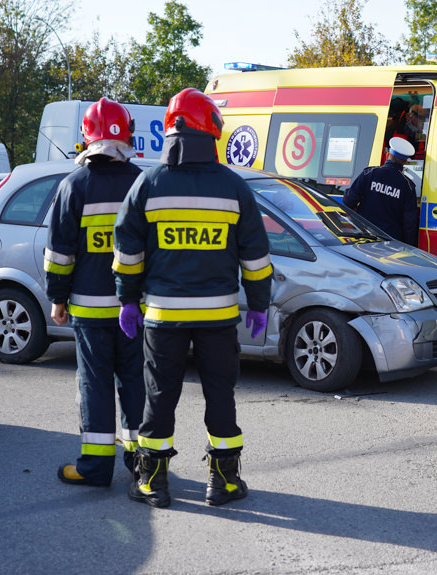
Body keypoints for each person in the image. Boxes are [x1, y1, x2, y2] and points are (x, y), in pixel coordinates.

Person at [113, 87, 273, 509]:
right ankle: (223, 482)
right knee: (220, 394)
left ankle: (152, 482)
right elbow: (255, 255)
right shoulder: (234, 187)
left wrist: (127, 298)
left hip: (162, 316)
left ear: (171, 130)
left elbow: (128, 252)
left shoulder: (147, 183)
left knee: (159, 395)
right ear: (211, 131)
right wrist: (259, 303)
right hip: (218, 317)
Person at [44, 97, 146, 487]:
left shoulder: (73, 186)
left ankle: (95, 466)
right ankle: (142, 464)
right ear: (127, 137)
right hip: (134, 309)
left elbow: (59, 254)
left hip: (88, 309)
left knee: (95, 384)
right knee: (135, 382)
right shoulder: (142, 183)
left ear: (86, 139)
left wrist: (58, 298)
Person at [344, 136, 419, 246]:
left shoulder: (369, 173)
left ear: (388, 155)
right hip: (391, 242)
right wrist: (409, 247)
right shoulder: (408, 186)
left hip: (365, 236)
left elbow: (348, 200)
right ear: (405, 161)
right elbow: (409, 224)